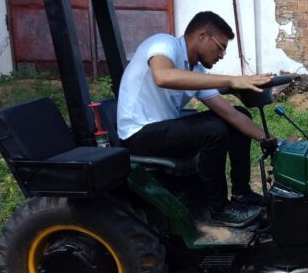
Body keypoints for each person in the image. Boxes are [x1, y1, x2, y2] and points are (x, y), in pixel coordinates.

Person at [117, 11, 273, 227]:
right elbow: (163, 76)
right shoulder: (164, 43)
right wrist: (232, 79)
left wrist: (271, 140)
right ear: (203, 35)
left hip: (163, 131)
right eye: (221, 47)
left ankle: (241, 193)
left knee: (237, 115)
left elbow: (231, 115)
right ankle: (217, 209)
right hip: (138, 135)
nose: (221, 55)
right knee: (213, 129)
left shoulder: (195, 70)